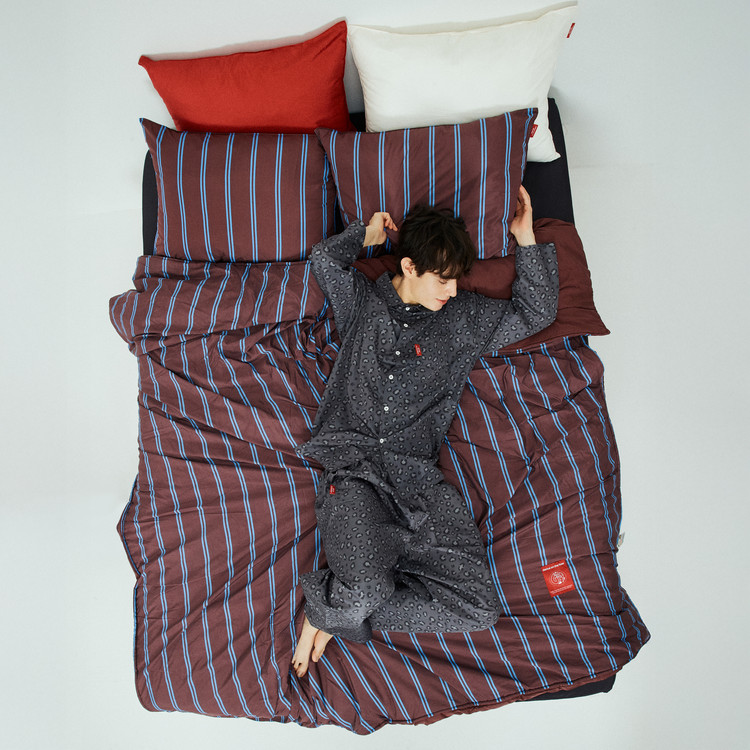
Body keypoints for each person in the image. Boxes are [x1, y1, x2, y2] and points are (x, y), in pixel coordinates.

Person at [292, 186, 558, 678]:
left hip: (419, 488)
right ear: (409, 266)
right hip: (355, 477)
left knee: (477, 608)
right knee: (367, 588)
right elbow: (326, 261)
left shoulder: (462, 320)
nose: (452, 291)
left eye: (456, 280)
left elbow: (535, 313)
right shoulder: (362, 304)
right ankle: (352, 596)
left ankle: (335, 606)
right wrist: (365, 235)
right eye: (443, 279)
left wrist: (525, 239)